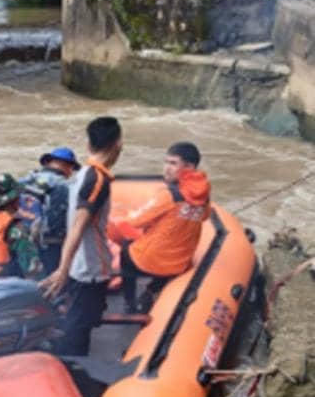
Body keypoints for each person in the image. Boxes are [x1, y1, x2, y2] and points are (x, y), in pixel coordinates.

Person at [41, 116, 124, 356]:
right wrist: (63, 269)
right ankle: (73, 369)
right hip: (89, 268)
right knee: (80, 325)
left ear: (88, 146)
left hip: (81, 263)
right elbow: (79, 225)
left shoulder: (82, 173)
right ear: (118, 145)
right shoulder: (97, 179)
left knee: (80, 319)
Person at [110, 141, 211, 314]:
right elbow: (205, 216)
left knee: (126, 250)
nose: (166, 168)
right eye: (166, 162)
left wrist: (119, 216)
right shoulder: (204, 194)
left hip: (153, 261)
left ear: (189, 167)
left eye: (173, 163)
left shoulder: (167, 195)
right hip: (180, 262)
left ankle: (130, 305)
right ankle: (152, 289)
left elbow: (135, 221)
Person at [19, 146, 80, 276]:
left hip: (21, 240)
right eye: (72, 169)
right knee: (51, 285)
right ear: (67, 166)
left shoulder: (26, 179)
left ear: (48, 162)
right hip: (49, 245)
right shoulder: (66, 186)